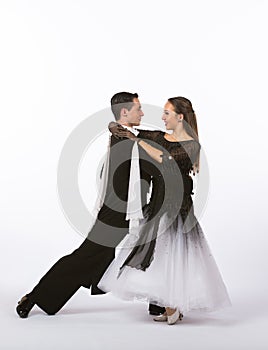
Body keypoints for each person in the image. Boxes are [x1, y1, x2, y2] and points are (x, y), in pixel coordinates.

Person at [16, 92, 165, 318]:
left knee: (153, 250)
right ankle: (35, 296)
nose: (142, 113)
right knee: (85, 257)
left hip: (128, 211)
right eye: (138, 108)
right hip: (116, 214)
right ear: (124, 112)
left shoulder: (126, 136)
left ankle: (158, 304)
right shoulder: (123, 139)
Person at [98, 96, 232, 325]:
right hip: (158, 204)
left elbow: (166, 159)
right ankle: (171, 307)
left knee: (174, 256)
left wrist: (138, 142)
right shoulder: (160, 137)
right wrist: (115, 126)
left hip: (177, 208)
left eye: (167, 113)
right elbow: (131, 132)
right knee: (159, 257)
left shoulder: (191, 145)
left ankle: (173, 306)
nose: (162, 118)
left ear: (180, 117)